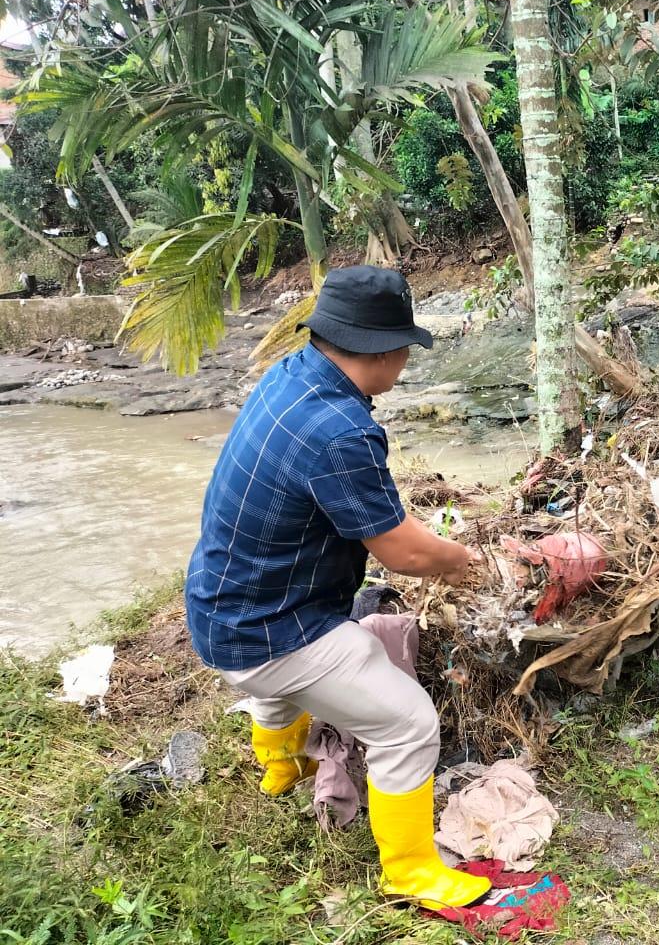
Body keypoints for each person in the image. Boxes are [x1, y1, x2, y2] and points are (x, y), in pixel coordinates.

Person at [184, 266, 491, 909]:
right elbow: (405, 552)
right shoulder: (341, 431)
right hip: (267, 634)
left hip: (217, 608)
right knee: (408, 724)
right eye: (405, 349)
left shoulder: (289, 377)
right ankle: (411, 872)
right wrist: (465, 559)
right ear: (383, 352)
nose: (406, 361)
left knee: (287, 683)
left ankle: (281, 765)